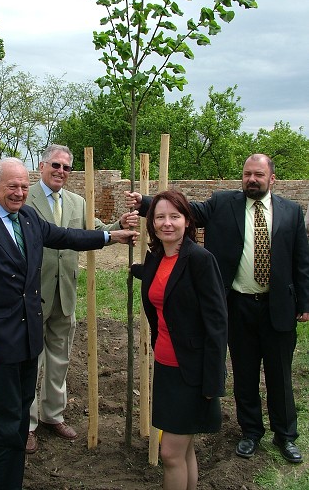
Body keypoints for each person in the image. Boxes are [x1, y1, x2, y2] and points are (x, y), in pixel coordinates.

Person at [0, 157, 138, 490]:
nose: (20, 192)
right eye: (13, 186)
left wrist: (112, 236)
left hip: (28, 339)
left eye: (24, 186)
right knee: (4, 425)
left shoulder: (28, 219)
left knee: (20, 418)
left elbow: (67, 236)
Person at [126, 154, 309, 464]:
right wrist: (145, 202)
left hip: (278, 306)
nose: (252, 179)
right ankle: (251, 432)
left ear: (272, 179)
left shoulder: (292, 212)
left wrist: (304, 302)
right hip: (236, 305)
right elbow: (187, 210)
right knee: (245, 371)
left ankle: (286, 435)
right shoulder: (224, 203)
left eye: (259, 174)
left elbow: (301, 259)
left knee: (279, 374)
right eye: (247, 173)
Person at [25, 144, 138, 453]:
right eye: (55, 165)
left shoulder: (77, 202)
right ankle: (28, 423)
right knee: (31, 361)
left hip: (66, 292)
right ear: (42, 165)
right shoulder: (27, 199)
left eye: (66, 167)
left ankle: (52, 415)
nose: (61, 171)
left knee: (60, 357)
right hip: (33, 293)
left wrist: (121, 226)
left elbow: (96, 230)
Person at [131, 190, 228, 490]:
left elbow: (217, 323)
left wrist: (213, 380)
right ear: (152, 223)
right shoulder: (158, 258)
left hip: (192, 372)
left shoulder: (200, 260)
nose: (167, 223)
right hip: (166, 367)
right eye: (160, 217)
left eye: (175, 217)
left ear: (187, 221)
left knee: (170, 453)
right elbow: (162, 284)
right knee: (184, 449)